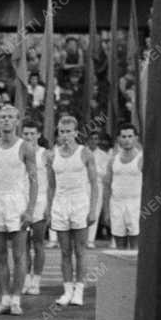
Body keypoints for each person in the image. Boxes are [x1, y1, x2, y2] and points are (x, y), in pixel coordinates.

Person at [0, 105, 39, 314]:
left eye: (10, 117)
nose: (6, 120)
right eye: (3, 117)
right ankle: (4, 298)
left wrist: (30, 209)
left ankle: (16, 299)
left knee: (19, 255)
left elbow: (34, 180)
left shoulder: (25, 147)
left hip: (17, 203)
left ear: (17, 121)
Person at [45, 115, 98, 306]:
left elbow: (94, 184)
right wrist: (49, 209)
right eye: (62, 132)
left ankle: (79, 291)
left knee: (80, 251)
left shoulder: (85, 153)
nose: (65, 135)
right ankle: (67, 290)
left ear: (76, 133)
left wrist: (93, 210)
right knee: (65, 252)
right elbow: (51, 186)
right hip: (60, 204)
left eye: (68, 132)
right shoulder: (52, 155)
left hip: (79, 203)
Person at [102, 124, 143, 251]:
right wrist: (106, 211)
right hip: (117, 204)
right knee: (120, 248)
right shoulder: (113, 160)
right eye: (123, 136)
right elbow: (107, 186)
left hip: (136, 204)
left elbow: (150, 186)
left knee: (136, 248)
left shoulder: (142, 159)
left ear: (136, 138)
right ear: (119, 139)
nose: (127, 140)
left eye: (130, 136)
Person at [20, 120, 50, 291]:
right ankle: (24, 279)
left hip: (40, 200)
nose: (29, 137)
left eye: (32, 133)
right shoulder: (19, 151)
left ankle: (36, 280)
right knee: (22, 244)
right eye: (26, 134)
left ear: (38, 135)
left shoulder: (46, 154)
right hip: (21, 199)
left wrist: (49, 206)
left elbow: (53, 182)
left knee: (38, 242)